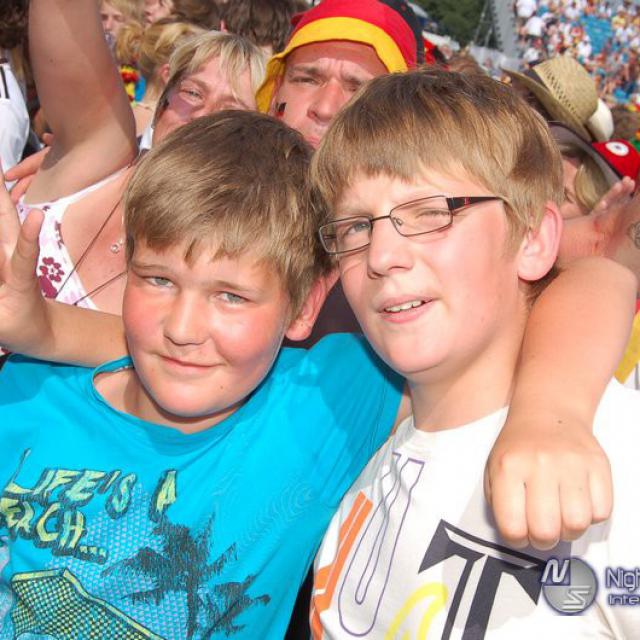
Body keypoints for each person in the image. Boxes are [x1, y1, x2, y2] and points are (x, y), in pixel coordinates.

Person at [0, 110, 402, 639]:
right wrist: (41, 332)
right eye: (158, 280)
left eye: (230, 296)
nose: (182, 329)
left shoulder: (323, 405)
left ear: (306, 304)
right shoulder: (26, 391)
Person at [310, 68, 640, 638]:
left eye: (432, 212)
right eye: (357, 226)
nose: (381, 255)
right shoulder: (369, 445)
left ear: (532, 239)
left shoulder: (611, 465)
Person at [17, 0, 264, 314]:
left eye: (231, 111)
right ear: (162, 105)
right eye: (192, 93)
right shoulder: (98, 155)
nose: (204, 115)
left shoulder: (228, 264)